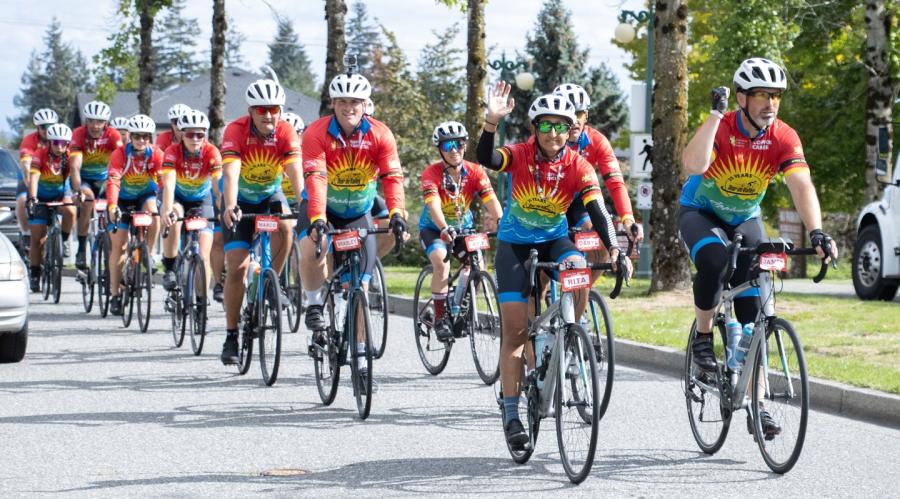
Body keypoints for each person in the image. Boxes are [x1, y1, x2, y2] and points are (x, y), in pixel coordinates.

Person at [680, 58, 837, 438]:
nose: (770, 103)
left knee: (758, 316)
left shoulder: (783, 136)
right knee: (715, 262)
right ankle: (703, 340)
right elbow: (692, 164)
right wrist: (715, 117)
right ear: (742, 97)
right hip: (701, 212)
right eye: (763, 95)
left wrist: (816, 231)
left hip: (745, 217)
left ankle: (758, 403)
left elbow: (801, 184)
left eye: (776, 96)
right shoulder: (723, 126)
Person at [476, 82, 631, 449]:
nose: (553, 132)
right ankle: (512, 412)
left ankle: (569, 335)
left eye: (561, 126)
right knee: (515, 333)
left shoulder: (579, 165)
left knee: (578, 269)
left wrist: (614, 249)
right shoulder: (520, 154)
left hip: (554, 239)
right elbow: (487, 158)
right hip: (514, 245)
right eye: (545, 125)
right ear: (535, 129)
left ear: (569, 130)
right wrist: (491, 122)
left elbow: (598, 210)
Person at [298, 72, 407, 332]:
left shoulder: (380, 134)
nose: (349, 108)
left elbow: (392, 177)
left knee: (361, 287)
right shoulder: (316, 132)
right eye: (343, 101)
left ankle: (360, 357)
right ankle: (313, 303)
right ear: (333, 104)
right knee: (315, 244)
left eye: (355, 102)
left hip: (358, 210)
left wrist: (397, 213)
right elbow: (316, 178)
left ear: (364, 104)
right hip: (321, 206)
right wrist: (318, 219)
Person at [218, 79, 302, 365]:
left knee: (286, 226)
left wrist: (304, 203)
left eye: (274, 109)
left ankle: (271, 284)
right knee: (237, 267)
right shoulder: (236, 130)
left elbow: (294, 171)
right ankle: (231, 334)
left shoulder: (286, 131)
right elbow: (230, 173)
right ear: (251, 110)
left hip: (269, 194)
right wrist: (230, 205)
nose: (268, 114)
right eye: (261, 109)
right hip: (239, 198)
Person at [420, 121, 502, 341]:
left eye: (459, 144)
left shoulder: (475, 171)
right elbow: (433, 204)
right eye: (448, 146)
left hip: (463, 228)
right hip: (434, 229)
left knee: (477, 267)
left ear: (465, 145)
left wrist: (503, 222)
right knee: (441, 263)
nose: (454, 150)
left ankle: (461, 313)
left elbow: (491, 200)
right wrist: (443, 227)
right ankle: (440, 318)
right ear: (440, 149)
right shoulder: (432, 173)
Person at [554, 83, 643, 263]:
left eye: (578, 114)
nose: (574, 120)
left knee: (602, 247)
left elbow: (615, 183)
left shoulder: (597, 141)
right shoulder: (544, 140)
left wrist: (627, 218)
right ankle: (542, 290)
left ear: (586, 115)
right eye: (568, 114)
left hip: (580, 202)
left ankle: (581, 289)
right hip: (550, 201)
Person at [105, 114, 164, 315]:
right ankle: (114, 294)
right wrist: (112, 206)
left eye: (145, 137)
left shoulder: (156, 154)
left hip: (144, 195)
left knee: (154, 212)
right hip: (122, 198)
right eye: (137, 136)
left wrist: (167, 204)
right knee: (119, 246)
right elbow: (113, 180)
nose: (141, 141)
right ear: (130, 137)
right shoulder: (120, 154)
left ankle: (149, 252)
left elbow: (163, 181)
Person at [160, 110, 221, 297]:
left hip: (202, 200)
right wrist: (167, 209)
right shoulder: (172, 152)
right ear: (182, 134)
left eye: (199, 134)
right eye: (189, 134)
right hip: (178, 197)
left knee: (203, 256)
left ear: (205, 135)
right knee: (174, 216)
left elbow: (218, 185)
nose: (195, 139)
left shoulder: (211, 152)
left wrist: (223, 207)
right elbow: (169, 184)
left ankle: (201, 302)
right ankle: (170, 267)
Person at [70, 100, 123, 270]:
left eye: (99, 122)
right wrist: (78, 190)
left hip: (105, 179)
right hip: (84, 179)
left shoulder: (113, 135)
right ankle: (81, 249)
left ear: (106, 123)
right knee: (88, 201)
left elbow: (121, 161)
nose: (95, 125)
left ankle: (111, 242)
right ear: (86, 121)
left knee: (113, 207)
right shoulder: (78, 134)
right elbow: (75, 166)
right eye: (91, 121)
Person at [25, 124, 78, 292]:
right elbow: (34, 178)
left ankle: (64, 240)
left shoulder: (69, 156)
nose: (60, 147)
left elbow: (75, 177)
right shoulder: (39, 155)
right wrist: (33, 198)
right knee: (37, 237)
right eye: (56, 143)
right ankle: (34, 273)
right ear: (50, 142)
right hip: (40, 196)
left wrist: (78, 192)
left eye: (64, 143)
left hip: (61, 192)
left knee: (71, 210)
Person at [18, 108, 59, 247]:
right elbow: (26, 165)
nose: (47, 130)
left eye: (50, 126)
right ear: (37, 127)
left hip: (52, 177)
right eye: (43, 127)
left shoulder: (59, 139)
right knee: (22, 200)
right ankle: (26, 234)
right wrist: (31, 190)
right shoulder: (29, 140)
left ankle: (60, 239)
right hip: (30, 175)